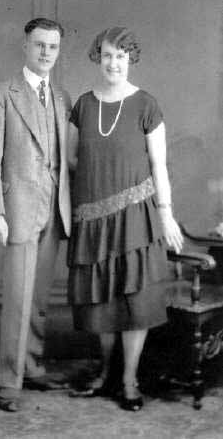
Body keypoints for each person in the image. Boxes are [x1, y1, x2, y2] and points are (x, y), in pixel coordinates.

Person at [67, 26, 184, 411]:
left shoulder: (146, 104)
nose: (113, 62)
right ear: (97, 58)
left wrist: (165, 215)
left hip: (137, 218)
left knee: (135, 300)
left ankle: (130, 381)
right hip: (93, 220)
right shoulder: (83, 105)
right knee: (101, 301)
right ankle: (105, 373)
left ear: (130, 58)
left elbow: (159, 165)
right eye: (106, 55)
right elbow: (70, 161)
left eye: (120, 55)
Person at [0, 17, 72, 412]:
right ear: (25, 47)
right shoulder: (2, 94)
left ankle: (31, 367)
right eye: (39, 45)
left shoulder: (62, 97)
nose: (46, 52)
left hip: (54, 209)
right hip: (17, 211)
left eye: (52, 46)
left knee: (39, 299)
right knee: (18, 299)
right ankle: (9, 385)